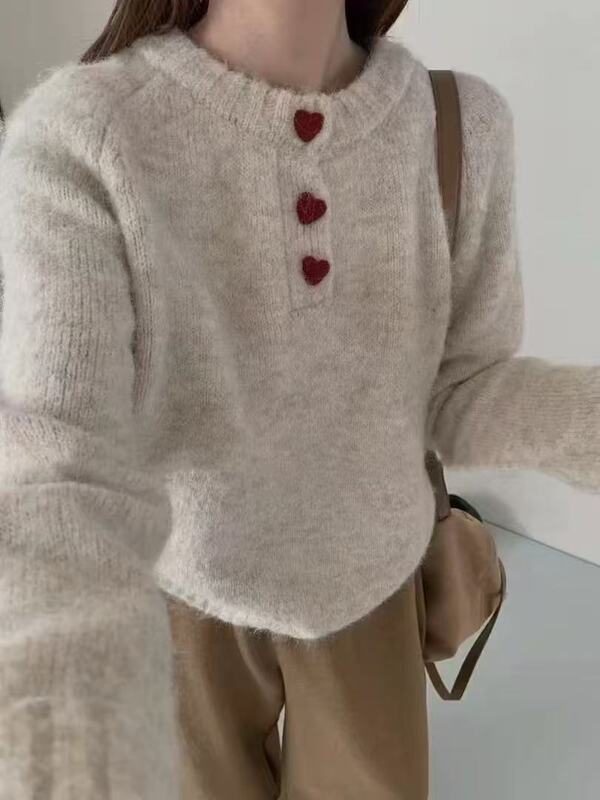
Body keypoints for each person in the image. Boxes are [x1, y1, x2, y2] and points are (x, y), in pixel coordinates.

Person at [0, 1, 598, 797]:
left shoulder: (460, 125)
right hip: (177, 595)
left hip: (373, 581)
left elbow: (460, 389)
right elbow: (58, 458)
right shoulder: (85, 134)